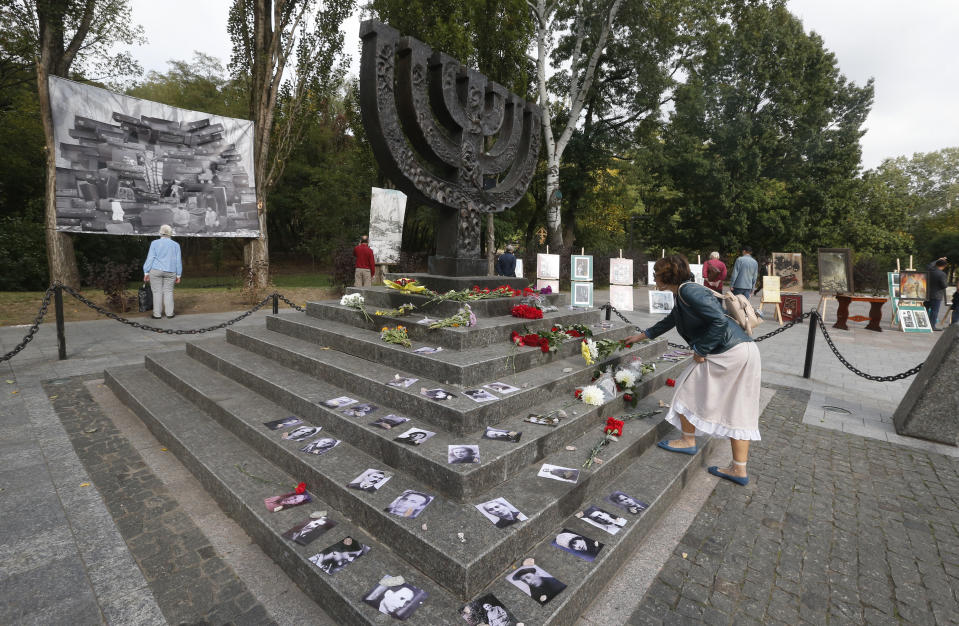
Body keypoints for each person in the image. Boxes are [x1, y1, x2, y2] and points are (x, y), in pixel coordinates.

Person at [624, 254, 761, 486]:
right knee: (739, 407)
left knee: (685, 389)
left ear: (667, 276)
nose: (654, 277)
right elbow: (671, 320)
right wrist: (641, 336)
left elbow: (718, 320)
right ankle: (739, 469)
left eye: (656, 273)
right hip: (742, 350)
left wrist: (701, 349)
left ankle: (688, 440)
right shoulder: (685, 292)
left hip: (727, 352)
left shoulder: (689, 291)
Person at [142, 224, 182, 319]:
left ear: (160, 232)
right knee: (168, 292)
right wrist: (179, 275)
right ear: (170, 233)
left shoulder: (154, 243)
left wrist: (146, 272)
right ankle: (169, 314)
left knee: (157, 292)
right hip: (171, 271)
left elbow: (150, 258)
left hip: (155, 270)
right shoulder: (176, 245)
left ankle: (157, 314)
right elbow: (178, 261)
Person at [926, 257, 948, 331]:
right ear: (944, 266)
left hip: (927, 294)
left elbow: (930, 265)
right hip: (937, 295)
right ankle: (932, 326)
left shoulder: (930, 270)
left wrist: (938, 259)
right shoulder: (942, 274)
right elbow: (944, 285)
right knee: (934, 311)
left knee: (925, 309)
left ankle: (924, 324)